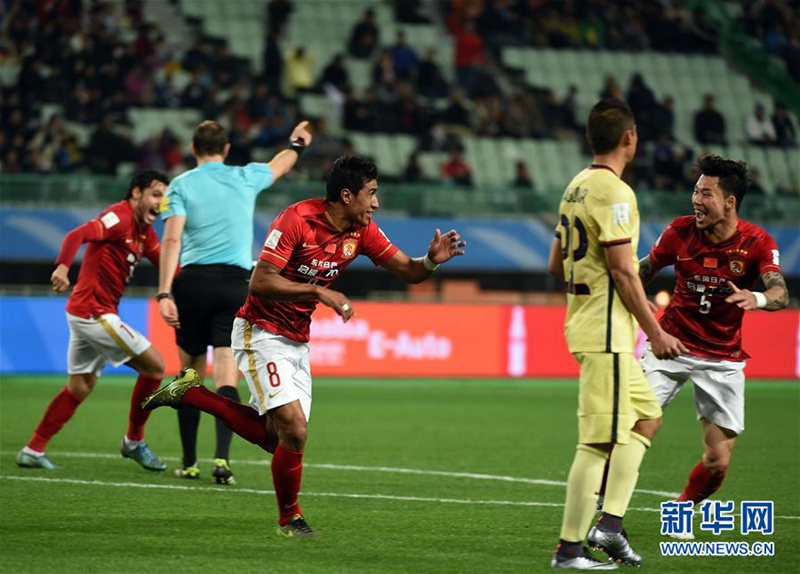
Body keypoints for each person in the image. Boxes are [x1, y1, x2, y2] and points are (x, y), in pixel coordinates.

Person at [143, 154, 466, 537]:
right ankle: (290, 519)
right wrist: (318, 290)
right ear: (347, 196)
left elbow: (409, 271)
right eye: (371, 194)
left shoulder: (363, 231)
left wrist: (431, 260)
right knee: (295, 430)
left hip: (297, 338)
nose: (376, 204)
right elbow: (260, 282)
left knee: (274, 437)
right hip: (258, 330)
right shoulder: (296, 219)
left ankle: (193, 394)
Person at [547, 98, 687, 570]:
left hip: (593, 323)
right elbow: (625, 272)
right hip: (607, 333)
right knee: (598, 442)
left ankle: (608, 526)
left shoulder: (575, 187)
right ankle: (568, 550)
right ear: (630, 138)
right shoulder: (615, 192)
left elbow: (554, 264)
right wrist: (657, 331)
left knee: (646, 418)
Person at [638, 154, 788, 535]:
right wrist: (613, 276)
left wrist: (754, 299)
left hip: (722, 357)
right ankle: (608, 514)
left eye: (705, 193)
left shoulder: (756, 243)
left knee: (717, 461)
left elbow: (779, 292)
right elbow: (643, 269)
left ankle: (680, 510)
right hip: (670, 343)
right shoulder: (679, 231)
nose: (696, 200)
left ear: (729, 202)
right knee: (641, 428)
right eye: (695, 190)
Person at [157, 119, 313, 485]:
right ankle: (222, 460)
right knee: (226, 369)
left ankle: (189, 461)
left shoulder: (180, 184)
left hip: (193, 282)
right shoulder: (244, 177)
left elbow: (171, 240)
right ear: (226, 150)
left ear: (194, 150)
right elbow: (282, 164)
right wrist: (297, 143)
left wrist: (164, 291)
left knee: (189, 372)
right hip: (234, 283)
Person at [16, 170, 171, 472]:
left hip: (86, 312)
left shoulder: (144, 233)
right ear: (136, 193)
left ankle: (32, 449)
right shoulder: (120, 217)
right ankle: (134, 441)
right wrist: (62, 267)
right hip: (94, 312)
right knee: (155, 366)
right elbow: (77, 235)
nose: (160, 203)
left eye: (164, 198)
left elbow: (167, 264)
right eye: (155, 194)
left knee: (80, 386)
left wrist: (197, 279)